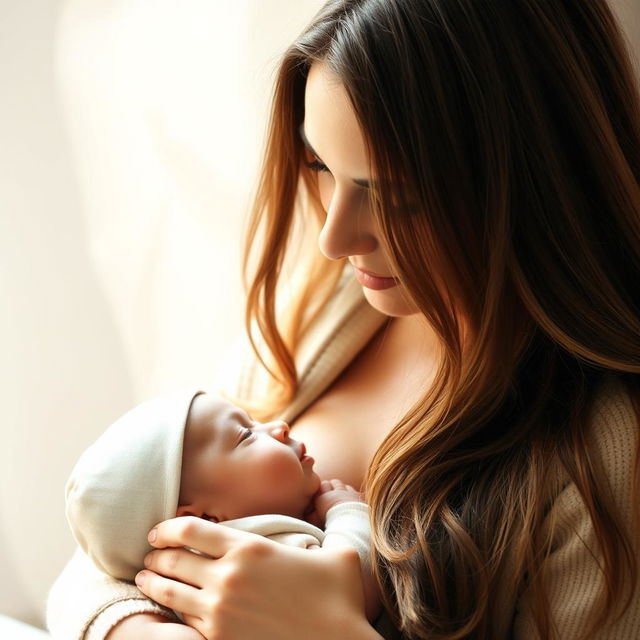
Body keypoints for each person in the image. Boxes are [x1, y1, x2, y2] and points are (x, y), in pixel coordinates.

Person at [47, 1, 640, 638]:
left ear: (536, 184)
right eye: (323, 167)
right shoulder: (328, 305)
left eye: (399, 197)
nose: (334, 238)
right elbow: (94, 562)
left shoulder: (605, 459)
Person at [64, 389, 379, 634]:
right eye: (246, 434)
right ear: (201, 521)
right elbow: (357, 589)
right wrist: (347, 510)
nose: (280, 425)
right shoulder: (270, 550)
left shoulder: (175, 586)